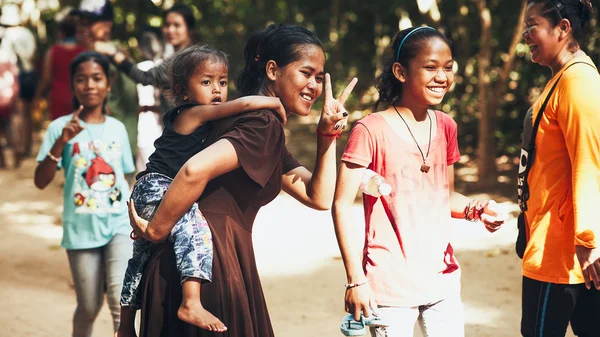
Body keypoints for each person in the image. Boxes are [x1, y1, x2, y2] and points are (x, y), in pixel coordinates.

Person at [127, 23, 357, 337]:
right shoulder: (261, 124)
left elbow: (317, 196)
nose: (314, 86)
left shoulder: (247, 119)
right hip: (211, 268)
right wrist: (157, 228)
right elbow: (195, 170)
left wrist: (327, 134)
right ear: (273, 70)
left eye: (319, 77)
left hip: (189, 264)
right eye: (306, 73)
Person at [331, 26, 506, 337]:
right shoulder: (370, 130)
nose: (442, 76)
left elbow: (445, 196)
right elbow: (341, 204)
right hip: (388, 288)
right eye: (430, 67)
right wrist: (356, 280)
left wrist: (478, 210)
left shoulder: (446, 126)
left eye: (448, 67)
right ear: (400, 71)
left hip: (442, 280)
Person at [117, 44, 289, 337]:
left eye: (222, 82)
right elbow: (242, 106)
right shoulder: (189, 114)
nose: (217, 90)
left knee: (140, 256)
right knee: (194, 223)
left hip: (147, 186)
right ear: (182, 90)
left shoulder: (198, 117)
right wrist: (273, 104)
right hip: (159, 184)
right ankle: (191, 301)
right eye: (206, 82)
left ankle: (124, 326)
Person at [33, 51, 134, 337]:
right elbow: (41, 181)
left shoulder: (118, 129)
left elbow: (125, 177)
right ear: (73, 85)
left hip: (118, 225)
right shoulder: (59, 128)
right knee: (89, 306)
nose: (89, 85)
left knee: (121, 302)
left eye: (97, 78)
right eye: (81, 79)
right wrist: (60, 143)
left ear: (108, 84)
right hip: (80, 229)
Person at [518, 1, 600, 336]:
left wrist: (587, 238)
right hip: (552, 243)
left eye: (532, 25)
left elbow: (589, 161)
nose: (526, 36)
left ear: (562, 28)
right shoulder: (562, 78)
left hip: (563, 252)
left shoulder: (578, 81)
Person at [94, 3, 196, 115]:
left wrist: (113, 53)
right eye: (167, 25)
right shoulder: (190, 54)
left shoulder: (183, 59)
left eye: (177, 25)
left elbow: (145, 77)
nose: (170, 30)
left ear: (189, 29)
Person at [71, 0, 139, 154]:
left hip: (114, 149)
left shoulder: (117, 56)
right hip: (91, 146)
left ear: (107, 25)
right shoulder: (87, 55)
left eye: (89, 23)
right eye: (81, 23)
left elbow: (130, 103)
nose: (82, 28)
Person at [33, 7, 86, 121]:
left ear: (60, 32)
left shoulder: (53, 51)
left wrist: (37, 96)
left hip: (58, 98)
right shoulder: (84, 52)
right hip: (80, 96)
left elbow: (46, 79)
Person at [0, 2, 37, 164]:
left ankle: (17, 147)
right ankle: (26, 146)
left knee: (16, 113)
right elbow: (32, 55)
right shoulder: (27, 33)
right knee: (27, 112)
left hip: (11, 77)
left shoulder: (4, 34)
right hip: (29, 74)